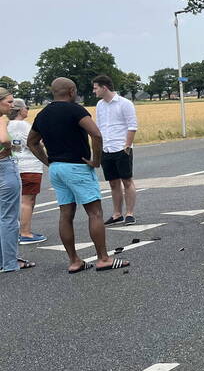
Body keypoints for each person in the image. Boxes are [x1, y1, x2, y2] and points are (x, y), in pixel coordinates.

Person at [26, 78, 129, 273]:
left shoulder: (42, 114)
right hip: (77, 166)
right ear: (71, 91)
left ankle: (74, 261)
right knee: (95, 212)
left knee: (66, 214)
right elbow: (96, 134)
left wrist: (48, 161)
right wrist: (96, 160)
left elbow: (32, 142)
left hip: (57, 168)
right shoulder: (76, 110)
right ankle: (103, 259)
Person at [92, 75, 138, 225]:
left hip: (121, 147)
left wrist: (127, 146)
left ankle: (130, 213)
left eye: (95, 87)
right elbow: (99, 127)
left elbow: (132, 126)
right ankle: (117, 214)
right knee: (113, 182)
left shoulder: (125, 103)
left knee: (127, 180)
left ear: (104, 87)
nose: (94, 91)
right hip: (107, 148)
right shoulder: (100, 105)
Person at [0, 88, 35, 272]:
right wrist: (9, 148)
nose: (12, 105)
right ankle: (10, 262)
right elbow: (5, 139)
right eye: (8, 101)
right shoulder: (2, 119)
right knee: (9, 218)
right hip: (5, 167)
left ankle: (2, 260)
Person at [7, 98, 47, 244]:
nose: (27, 110)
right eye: (26, 107)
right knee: (28, 200)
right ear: (19, 110)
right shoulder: (24, 126)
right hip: (30, 166)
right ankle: (25, 232)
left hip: (15, 164)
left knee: (20, 201)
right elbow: (33, 143)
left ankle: (20, 231)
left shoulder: (8, 125)